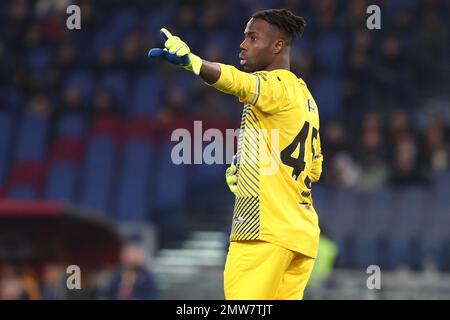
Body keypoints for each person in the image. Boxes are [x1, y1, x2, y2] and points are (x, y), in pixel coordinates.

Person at [149, 8, 323, 300]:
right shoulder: (305, 97)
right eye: (244, 37)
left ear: (277, 46)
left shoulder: (275, 86)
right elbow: (314, 168)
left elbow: (237, 82)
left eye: (253, 38)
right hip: (300, 236)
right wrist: (252, 166)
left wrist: (193, 63)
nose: (243, 45)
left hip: (263, 232)